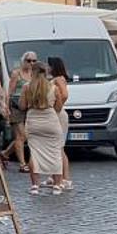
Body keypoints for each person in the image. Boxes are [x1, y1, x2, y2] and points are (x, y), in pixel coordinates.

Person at [22, 64, 67, 195]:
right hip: (50, 121)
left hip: (33, 121)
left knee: (34, 153)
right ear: (46, 72)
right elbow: (58, 108)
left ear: (32, 72)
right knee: (55, 152)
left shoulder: (26, 87)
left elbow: (22, 105)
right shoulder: (53, 88)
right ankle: (57, 185)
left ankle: (35, 185)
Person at [4, 52, 38, 171]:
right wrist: (7, 108)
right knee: (22, 135)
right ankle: (22, 164)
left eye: (34, 61)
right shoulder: (16, 73)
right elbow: (10, 92)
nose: (31, 63)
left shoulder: (34, 74)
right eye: (29, 60)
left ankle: (5, 153)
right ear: (23, 61)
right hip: (16, 107)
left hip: (29, 108)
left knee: (23, 136)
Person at [47, 56, 74, 191]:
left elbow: (64, 95)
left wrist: (56, 106)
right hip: (55, 114)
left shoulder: (58, 79)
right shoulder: (56, 79)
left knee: (59, 147)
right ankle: (56, 176)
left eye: (49, 65)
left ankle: (65, 178)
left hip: (58, 115)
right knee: (55, 147)